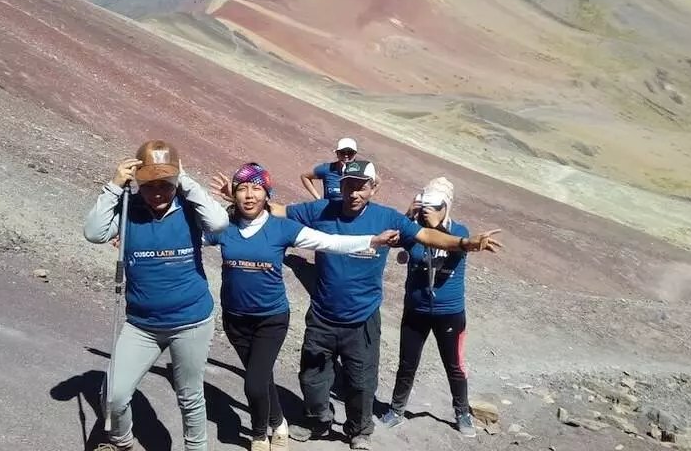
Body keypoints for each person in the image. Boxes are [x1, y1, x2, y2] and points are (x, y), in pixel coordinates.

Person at [212, 159, 501, 450]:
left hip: (362, 318)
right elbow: (277, 210)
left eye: (361, 187)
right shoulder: (320, 209)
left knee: (361, 381)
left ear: (374, 189)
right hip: (322, 314)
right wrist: (239, 197)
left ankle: (359, 430)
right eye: (348, 185)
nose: (354, 193)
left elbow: (426, 235)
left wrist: (465, 243)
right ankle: (319, 420)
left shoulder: (387, 218)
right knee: (312, 378)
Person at [204, 162, 400, 451]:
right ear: (234, 193)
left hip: (270, 318)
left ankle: (260, 435)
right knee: (262, 377)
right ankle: (279, 420)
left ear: (267, 194)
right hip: (234, 319)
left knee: (254, 383)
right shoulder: (224, 227)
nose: (249, 195)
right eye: (242, 188)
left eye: (256, 188)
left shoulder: (283, 228)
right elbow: (188, 239)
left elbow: (331, 242)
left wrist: (371, 240)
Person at [83, 140, 229, 451]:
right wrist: (113, 186)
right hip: (142, 325)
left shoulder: (191, 209)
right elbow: (95, 233)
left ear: (177, 180)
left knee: (189, 396)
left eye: (166, 183)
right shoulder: (128, 207)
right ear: (138, 182)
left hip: (191, 322)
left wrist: (186, 179)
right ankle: (121, 442)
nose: (159, 192)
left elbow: (219, 223)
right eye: (150, 185)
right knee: (114, 395)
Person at [380, 177, 477, 437]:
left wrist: (439, 228)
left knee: (454, 364)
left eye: (434, 206)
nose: (427, 211)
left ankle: (462, 413)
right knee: (407, 363)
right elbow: (390, 237)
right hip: (416, 310)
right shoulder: (415, 230)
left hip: (450, 312)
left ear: (446, 206)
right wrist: (407, 215)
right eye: (425, 205)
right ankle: (397, 410)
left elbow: (458, 247)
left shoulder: (461, 231)